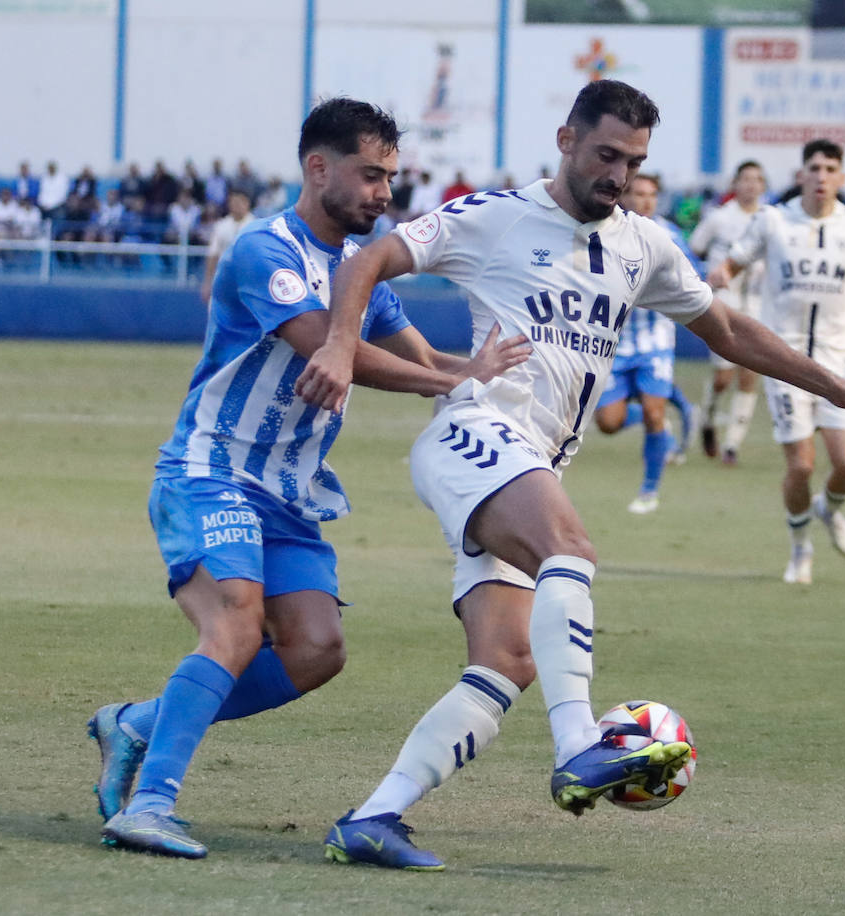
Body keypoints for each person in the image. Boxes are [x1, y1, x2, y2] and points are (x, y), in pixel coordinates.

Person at [297, 80, 845, 870]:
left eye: (635, 161)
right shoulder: (496, 216)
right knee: (570, 547)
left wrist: (839, 386)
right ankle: (580, 740)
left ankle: (374, 818)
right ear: (566, 140)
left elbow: (727, 328)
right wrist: (340, 346)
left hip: (529, 462)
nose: (618, 174)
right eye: (606, 155)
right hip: (475, 435)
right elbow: (368, 260)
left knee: (507, 663)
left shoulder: (643, 244)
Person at [86, 96, 531, 861]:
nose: (383, 193)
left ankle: (135, 724)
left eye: (390, 176)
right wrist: (447, 382)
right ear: (317, 167)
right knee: (235, 620)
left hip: (289, 492)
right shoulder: (265, 249)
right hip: (213, 471)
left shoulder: (362, 271)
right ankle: (151, 804)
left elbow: (421, 359)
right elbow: (322, 344)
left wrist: (471, 371)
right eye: (368, 174)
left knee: (317, 650)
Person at [707, 138, 845, 586]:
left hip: (838, 360)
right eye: (813, 167)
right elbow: (733, 263)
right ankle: (800, 548)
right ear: (801, 175)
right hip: (784, 358)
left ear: (842, 178)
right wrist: (718, 278)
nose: (821, 175)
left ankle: (827, 510)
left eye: (830, 168)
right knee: (801, 466)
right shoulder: (773, 221)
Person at [592, 172, 697, 514]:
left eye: (651, 194)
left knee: (654, 414)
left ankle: (649, 491)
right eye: (637, 193)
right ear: (624, 196)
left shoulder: (670, 236)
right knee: (608, 423)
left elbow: (693, 280)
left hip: (655, 342)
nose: (644, 201)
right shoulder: (601, 231)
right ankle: (674, 407)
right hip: (612, 345)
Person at [687, 160, 769, 465]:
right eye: (745, 178)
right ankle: (707, 419)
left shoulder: (771, 219)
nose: (751, 184)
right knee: (722, 377)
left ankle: (732, 445)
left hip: (759, 305)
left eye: (757, 179)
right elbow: (695, 247)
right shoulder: (719, 218)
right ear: (735, 183)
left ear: (763, 186)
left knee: (750, 374)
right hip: (724, 304)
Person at [200, 188, 255, 302]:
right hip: (225, 278)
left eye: (239, 202)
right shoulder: (221, 226)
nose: (236, 205)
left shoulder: (256, 225)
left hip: (248, 280)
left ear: (247, 203)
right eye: (233, 202)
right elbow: (213, 254)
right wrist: (207, 282)